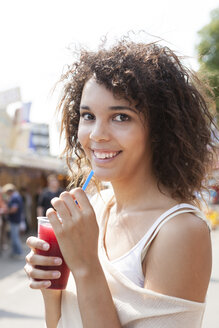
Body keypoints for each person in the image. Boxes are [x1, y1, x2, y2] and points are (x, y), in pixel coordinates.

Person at [24, 37, 218, 328]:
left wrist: (87, 266)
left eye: (120, 117)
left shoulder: (180, 231)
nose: (97, 134)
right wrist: (52, 288)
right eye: (88, 115)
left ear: (158, 129)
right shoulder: (94, 207)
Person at [2, 183, 24, 259]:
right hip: (15, 219)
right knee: (14, 236)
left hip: (14, 220)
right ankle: (15, 252)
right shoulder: (16, 196)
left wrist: (6, 211)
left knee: (15, 237)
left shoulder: (15, 198)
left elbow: (14, 209)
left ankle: (19, 252)